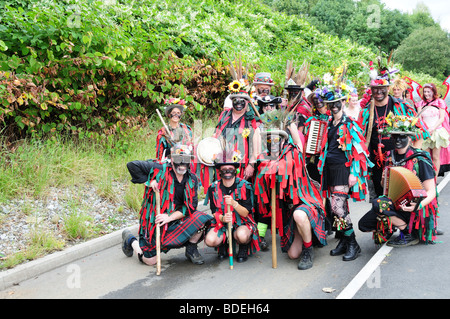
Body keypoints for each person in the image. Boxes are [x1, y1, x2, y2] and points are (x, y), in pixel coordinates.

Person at [254, 114, 327, 270]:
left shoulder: (292, 152)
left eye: (276, 140)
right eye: (268, 140)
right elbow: (258, 162)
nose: (272, 143)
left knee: (299, 215)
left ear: (283, 140)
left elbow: (283, 165)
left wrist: (268, 165)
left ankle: (309, 249)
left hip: (304, 201)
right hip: (288, 209)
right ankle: (307, 233)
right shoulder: (267, 158)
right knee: (293, 254)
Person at [122, 144, 213, 265]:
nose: (182, 163)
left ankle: (191, 248)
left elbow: (191, 207)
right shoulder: (159, 169)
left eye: (185, 160)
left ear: (189, 161)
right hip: (155, 220)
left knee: (201, 219)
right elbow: (132, 165)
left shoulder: (192, 179)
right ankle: (131, 240)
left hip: (175, 218)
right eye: (178, 159)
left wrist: (169, 217)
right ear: (172, 159)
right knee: (150, 261)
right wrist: (149, 181)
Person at [358, 115, 439, 246]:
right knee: (364, 224)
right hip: (396, 204)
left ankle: (408, 232)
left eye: (402, 136)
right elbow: (386, 189)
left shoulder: (420, 158)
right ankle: (394, 225)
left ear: (409, 137)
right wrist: (384, 180)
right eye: (395, 136)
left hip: (414, 208)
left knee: (378, 203)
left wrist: (419, 205)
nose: (397, 140)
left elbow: (431, 191)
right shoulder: (390, 156)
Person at [317, 81, 373, 261]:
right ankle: (343, 239)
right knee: (336, 210)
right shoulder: (328, 123)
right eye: (330, 104)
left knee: (337, 207)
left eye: (336, 104)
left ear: (342, 103)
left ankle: (352, 242)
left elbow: (359, 151)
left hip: (343, 169)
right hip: (330, 169)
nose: (333, 107)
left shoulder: (349, 123)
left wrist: (354, 173)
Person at [358, 62, 429, 197]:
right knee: (380, 202)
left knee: (401, 198)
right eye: (375, 88)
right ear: (371, 89)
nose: (378, 92)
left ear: (388, 88)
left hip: (401, 162)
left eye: (382, 88)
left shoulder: (402, 107)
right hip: (376, 165)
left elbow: (421, 132)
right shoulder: (365, 112)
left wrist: (413, 156)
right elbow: (358, 140)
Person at [203, 147, 260, 263]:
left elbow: (246, 212)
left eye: (230, 168)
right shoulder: (213, 188)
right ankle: (223, 244)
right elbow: (214, 211)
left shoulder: (245, 186)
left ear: (235, 170)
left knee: (242, 235)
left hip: (242, 222)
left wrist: (234, 204)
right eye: (224, 169)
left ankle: (243, 246)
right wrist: (222, 218)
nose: (227, 171)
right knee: (209, 240)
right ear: (219, 172)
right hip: (222, 223)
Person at [416, 83, 450, 176]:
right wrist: (425, 129)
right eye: (425, 92)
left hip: (437, 132)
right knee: (426, 157)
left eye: (428, 91)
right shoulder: (420, 104)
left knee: (435, 157)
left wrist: (433, 128)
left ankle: (434, 177)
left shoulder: (439, 102)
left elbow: (442, 118)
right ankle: (428, 176)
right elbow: (419, 119)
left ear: (433, 92)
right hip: (425, 133)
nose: (426, 94)